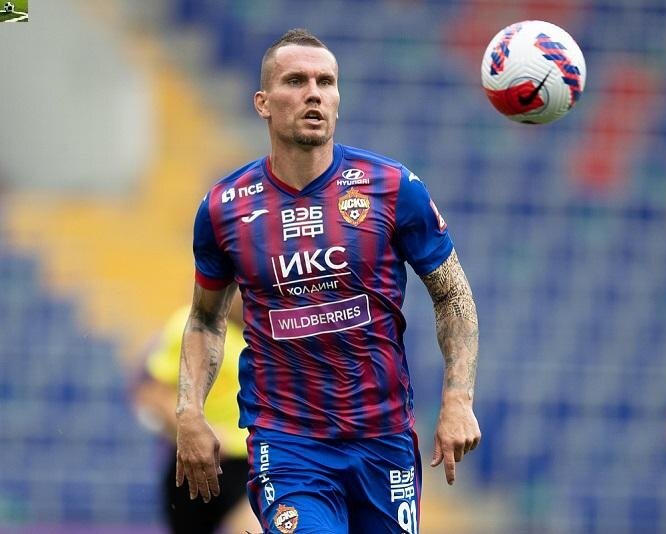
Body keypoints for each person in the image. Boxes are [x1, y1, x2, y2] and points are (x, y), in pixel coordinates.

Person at [174, 28, 481, 533]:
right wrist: (189, 411)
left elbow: (453, 296)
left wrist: (458, 400)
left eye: (326, 82)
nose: (314, 93)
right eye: (296, 81)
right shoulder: (224, 208)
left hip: (383, 440)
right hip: (288, 444)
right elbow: (206, 319)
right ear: (263, 102)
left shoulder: (393, 188)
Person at [133, 292, 261, 533]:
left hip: (248, 463)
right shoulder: (191, 327)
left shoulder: (265, 333)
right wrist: (196, 430)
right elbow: (154, 395)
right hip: (193, 463)